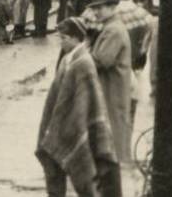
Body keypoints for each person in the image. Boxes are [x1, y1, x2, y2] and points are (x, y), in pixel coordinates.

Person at [36, 17, 121, 197]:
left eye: (64, 38)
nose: (61, 42)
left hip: (77, 124)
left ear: (76, 38)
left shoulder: (83, 63)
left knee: (84, 169)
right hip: (63, 125)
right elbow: (57, 97)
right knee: (54, 165)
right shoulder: (68, 59)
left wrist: (73, 123)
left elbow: (86, 100)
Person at [87, 0, 133, 164]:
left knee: (114, 123)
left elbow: (101, 60)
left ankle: (117, 164)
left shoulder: (113, 30)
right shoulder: (110, 27)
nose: (96, 12)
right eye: (94, 8)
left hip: (113, 87)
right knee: (115, 122)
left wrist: (82, 55)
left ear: (112, 8)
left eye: (99, 8)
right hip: (113, 85)